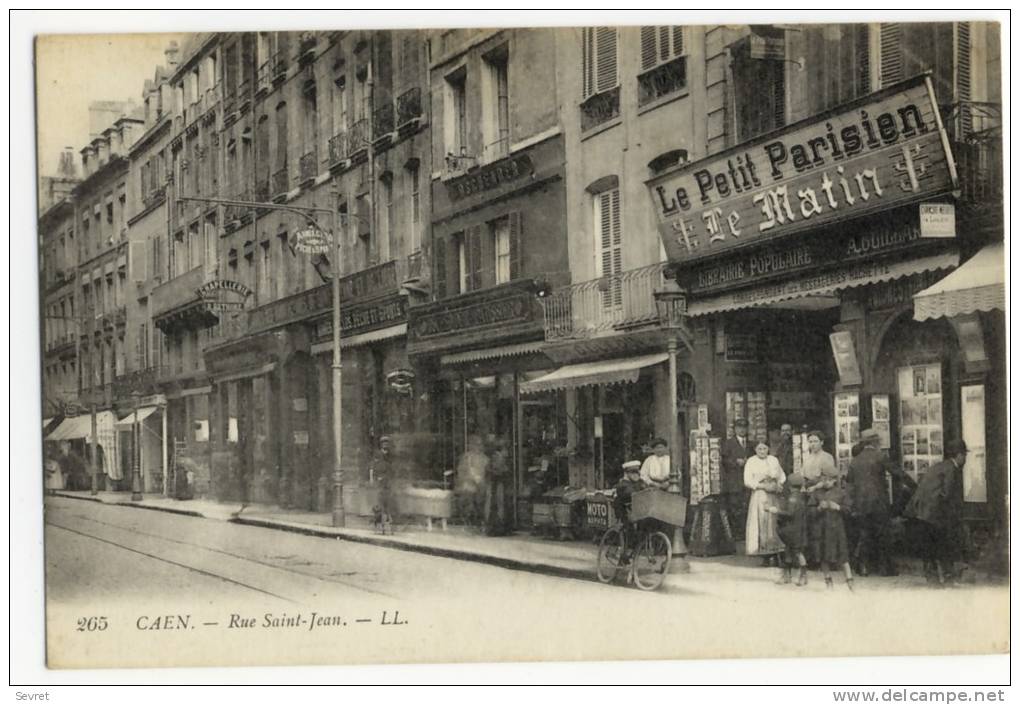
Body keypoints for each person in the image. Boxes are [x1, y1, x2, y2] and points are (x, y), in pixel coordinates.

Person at [846, 428, 912, 576]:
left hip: (861, 504)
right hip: (878, 502)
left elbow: (849, 484)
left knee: (865, 534)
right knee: (883, 535)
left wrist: (852, 504)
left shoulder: (855, 461)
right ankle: (886, 569)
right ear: (875, 442)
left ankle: (863, 568)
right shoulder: (880, 456)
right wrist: (914, 485)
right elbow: (898, 473)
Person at [904, 440, 968, 586]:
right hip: (935, 513)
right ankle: (948, 577)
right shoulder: (952, 469)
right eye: (964, 455)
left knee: (930, 546)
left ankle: (932, 579)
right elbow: (946, 494)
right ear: (959, 455)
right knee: (944, 544)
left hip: (921, 512)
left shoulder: (938, 466)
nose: (965, 459)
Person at [810, 464, 855, 590]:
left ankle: (849, 580)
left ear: (835, 480)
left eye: (828, 480)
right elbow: (810, 512)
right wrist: (818, 508)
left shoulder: (841, 493)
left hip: (837, 528)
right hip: (822, 528)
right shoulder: (817, 494)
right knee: (824, 555)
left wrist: (838, 507)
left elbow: (850, 510)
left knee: (843, 555)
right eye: (823, 479)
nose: (825, 482)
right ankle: (828, 580)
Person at [743, 440, 786, 564]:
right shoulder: (751, 461)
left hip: (773, 494)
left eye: (765, 449)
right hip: (760, 494)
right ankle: (764, 554)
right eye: (759, 449)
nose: (762, 451)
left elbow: (782, 476)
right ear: (755, 450)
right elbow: (747, 480)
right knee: (762, 521)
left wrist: (777, 484)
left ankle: (776, 552)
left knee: (773, 521)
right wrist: (762, 486)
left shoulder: (773, 460)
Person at [768, 472, 810, 585]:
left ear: (790, 485)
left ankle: (792, 576)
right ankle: (799, 575)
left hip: (791, 528)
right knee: (795, 552)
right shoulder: (802, 497)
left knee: (791, 552)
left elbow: (790, 513)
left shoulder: (792, 498)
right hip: (799, 528)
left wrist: (776, 511)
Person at [721, 419, 754, 539]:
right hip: (734, 481)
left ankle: (746, 533)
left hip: (748, 481)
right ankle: (736, 534)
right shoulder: (728, 443)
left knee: (747, 507)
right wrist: (735, 462)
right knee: (734, 507)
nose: (742, 430)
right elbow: (723, 460)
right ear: (735, 429)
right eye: (739, 427)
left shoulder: (751, 444)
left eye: (744, 427)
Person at [456, 435, 490, 529]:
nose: (478, 447)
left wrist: (481, 480)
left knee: (482, 499)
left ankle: (480, 520)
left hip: (482, 485)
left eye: (480, 445)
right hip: (469, 484)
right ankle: (469, 520)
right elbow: (462, 472)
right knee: (469, 496)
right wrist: (472, 478)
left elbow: (487, 472)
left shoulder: (485, 458)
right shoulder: (467, 457)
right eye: (476, 444)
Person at [486, 438, 513, 536]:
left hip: (496, 485)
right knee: (499, 505)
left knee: (496, 506)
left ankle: (496, 528)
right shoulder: (498, 458)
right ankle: (498, 528)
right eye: (506, 450)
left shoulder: (495, 458)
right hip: (498, 485)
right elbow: (499, 471)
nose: (508, 453)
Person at [371, 436, 396, 533]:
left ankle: (388, 527)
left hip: (388, 483)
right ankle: (379, 527)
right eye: (383, 442)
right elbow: (374, 468)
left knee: (388, 505)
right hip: (380, 483)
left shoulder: (390, 456)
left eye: (387, 442)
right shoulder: (377, 455)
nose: (385, 444)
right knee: (379, 505)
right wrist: (374, 479)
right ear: (381, 444)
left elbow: (392, 470)